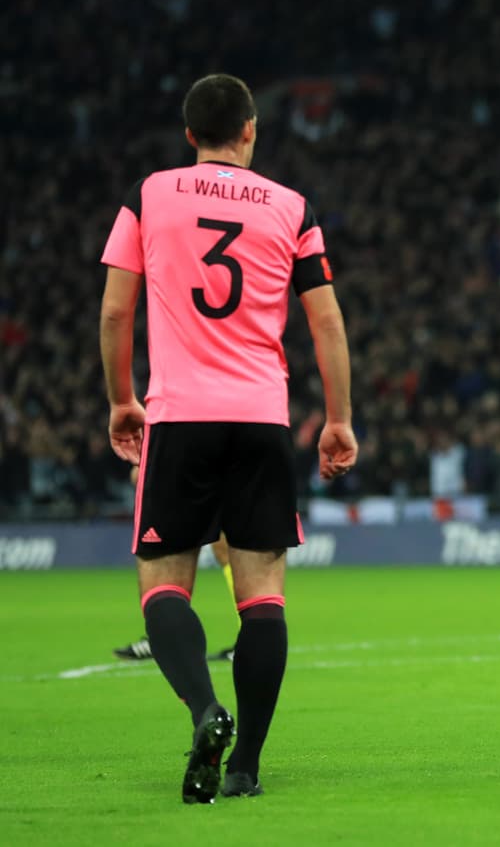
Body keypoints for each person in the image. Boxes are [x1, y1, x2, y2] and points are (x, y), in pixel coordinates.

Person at [99, 74, 357, 803]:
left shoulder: (150, 194)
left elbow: (117, 311)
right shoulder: (292, 206)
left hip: (178, 414)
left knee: (163, 587)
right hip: (261, 416)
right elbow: (328, 322)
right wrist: (337, 419)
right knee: (262, 599)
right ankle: (245, 762)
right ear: (250, 129)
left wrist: (123, 399)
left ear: (190, 136)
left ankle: (204, 709)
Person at [115, 467, 236, 662]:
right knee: (175, 550)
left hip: (192, 470)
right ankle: (162, 636)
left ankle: (163, 637)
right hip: (180, 476)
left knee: (219, 545)